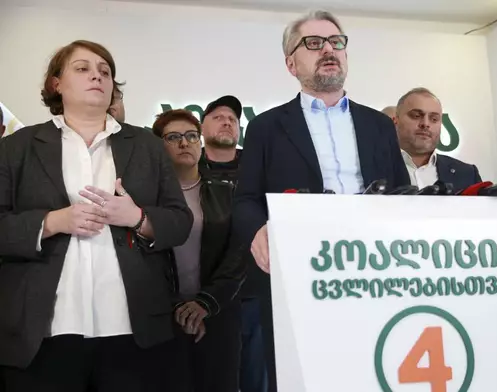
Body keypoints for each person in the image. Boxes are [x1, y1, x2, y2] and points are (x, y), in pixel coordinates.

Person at [0, 40, 193, 392]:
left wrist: (138, 217)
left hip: (132, 328)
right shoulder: (17, 147)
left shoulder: (147, 146)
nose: (97, 76)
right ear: (57, 83)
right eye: (83, 68)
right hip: (43, 329)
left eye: (105, 71)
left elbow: (180, 222)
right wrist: (52, 222)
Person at [233, 10, 409, 392]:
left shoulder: (379, 125)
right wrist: (256, 230)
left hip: (374, 273)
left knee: (374, 373)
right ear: (291, 63)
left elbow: (400, 193)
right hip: (298, 277)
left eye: (336, 42)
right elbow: (246, 200)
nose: (328, 49)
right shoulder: (265, 126)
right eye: (313, 43)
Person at [152, 109, 245, 392]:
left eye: (192, 136)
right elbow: (144, 260)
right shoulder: (146, 198)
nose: (185, 143)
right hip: (163, 316)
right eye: (174, 137)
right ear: (158, 146)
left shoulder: (226, 192)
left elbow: (238, 255)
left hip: (219, 312)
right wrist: (178, 306)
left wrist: (205, 303)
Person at [198, 95, 269, 392]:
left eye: (233, 119)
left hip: (252, 291)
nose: (227, 122)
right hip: (201, 294)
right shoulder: (186, 167)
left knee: (256, 378)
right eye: (218, 117)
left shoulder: (258, 171)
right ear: (201, 127)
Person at [394, 87, 481, 190]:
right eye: (416, 116)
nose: (425, 124)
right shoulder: (372, 168)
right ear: (395, 121)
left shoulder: (467, 174)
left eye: (434, 119)